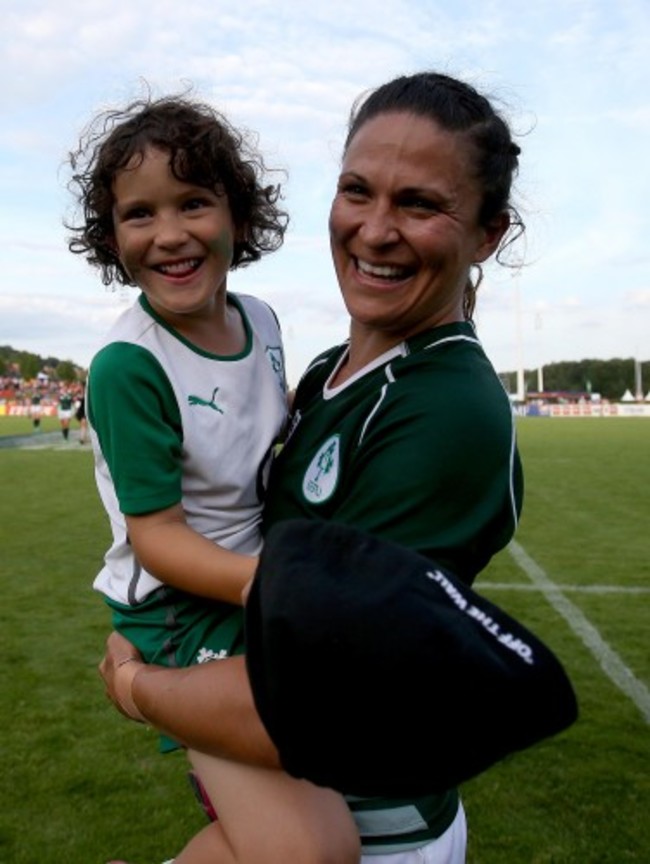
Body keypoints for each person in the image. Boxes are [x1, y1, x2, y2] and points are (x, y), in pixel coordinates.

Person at [100, 70, 526, 863]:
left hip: (379, 833)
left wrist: (136, 690)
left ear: (490, 231)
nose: (374, 229)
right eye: (357, 191)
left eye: (420, 203)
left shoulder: (447, 409)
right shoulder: (327, 369)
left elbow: (329, 685)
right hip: (282, 789)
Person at [68, 93, 360, 864]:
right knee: (316, 852)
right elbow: (157, 538)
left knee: (310, 834)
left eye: (193, 202)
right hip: (179, 609)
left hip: (240, 591)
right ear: (111, 236)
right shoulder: (130, 366)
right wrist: (274, 586)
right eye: (139, 214)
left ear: (237, 214)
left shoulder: (260, 318)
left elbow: (257, 430)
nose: (169, 235)